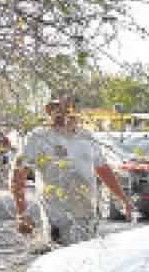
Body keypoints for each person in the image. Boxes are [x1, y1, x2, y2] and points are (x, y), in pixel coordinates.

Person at [11, 95, 133, 247]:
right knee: (62, 262)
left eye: (69, 109)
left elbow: (103, 169)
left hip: (87, 214)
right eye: (59, 109)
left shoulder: (86, 136)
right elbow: (18, 173)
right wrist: (22, 213)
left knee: (86, 260)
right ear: (50, 112)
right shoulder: (38, 137)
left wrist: (123, 199)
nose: (64, 114)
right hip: (57, 217)